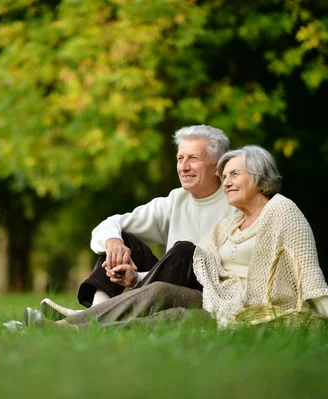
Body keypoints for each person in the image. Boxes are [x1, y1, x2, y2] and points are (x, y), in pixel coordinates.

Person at [22, 145, 328, 330]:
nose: (226, 182)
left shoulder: (282, 211)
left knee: (173, 316)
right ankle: (65, 328)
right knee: (159, 288)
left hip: (259, 311)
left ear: (259, 179)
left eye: (234, 175)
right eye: (224, 175)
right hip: (220, 303)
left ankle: (75, 330)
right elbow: (199, 262)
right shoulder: (230, 224)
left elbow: (309, 272)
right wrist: (136, 277)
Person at [40, 125, 233, 320]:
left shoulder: (236, 201)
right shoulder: (176, 200)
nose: (184, 167)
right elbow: (110, 224)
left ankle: (95, 317)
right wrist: (113, 242)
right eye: (180, 158)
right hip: (160, 286)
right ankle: (96, 311)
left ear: (218, 167)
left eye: (193, 158)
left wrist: (137, 278)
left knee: (185, 252)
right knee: (122, 237)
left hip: (206, 295)